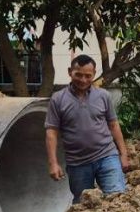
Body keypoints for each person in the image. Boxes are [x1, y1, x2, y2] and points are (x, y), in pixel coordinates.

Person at [45, 55, 132, 203]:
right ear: (69, 72)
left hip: (107, 156)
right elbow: (51, 132)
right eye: (78, 75)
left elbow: (113, 125)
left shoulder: (103, 96)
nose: (83, 80)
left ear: (94, 74)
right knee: (83, 206)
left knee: (117, 200)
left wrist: (123, 154)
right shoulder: (58, 99)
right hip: (77, 163)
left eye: (88, 76)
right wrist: (53, 163)